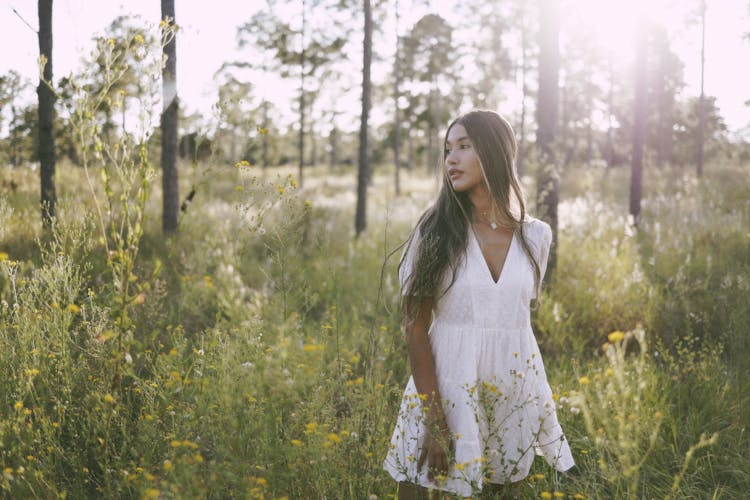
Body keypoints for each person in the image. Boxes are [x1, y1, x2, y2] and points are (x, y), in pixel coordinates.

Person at [383, 110, 574, 498]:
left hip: (510, 391)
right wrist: (435, 422)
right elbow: (415, 327)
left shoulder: (535, 236)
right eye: (447, 149)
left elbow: (514, 323)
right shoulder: (436, 230)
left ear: (495, 151)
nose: (451, 158)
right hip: (444, 388)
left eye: (464, 147)